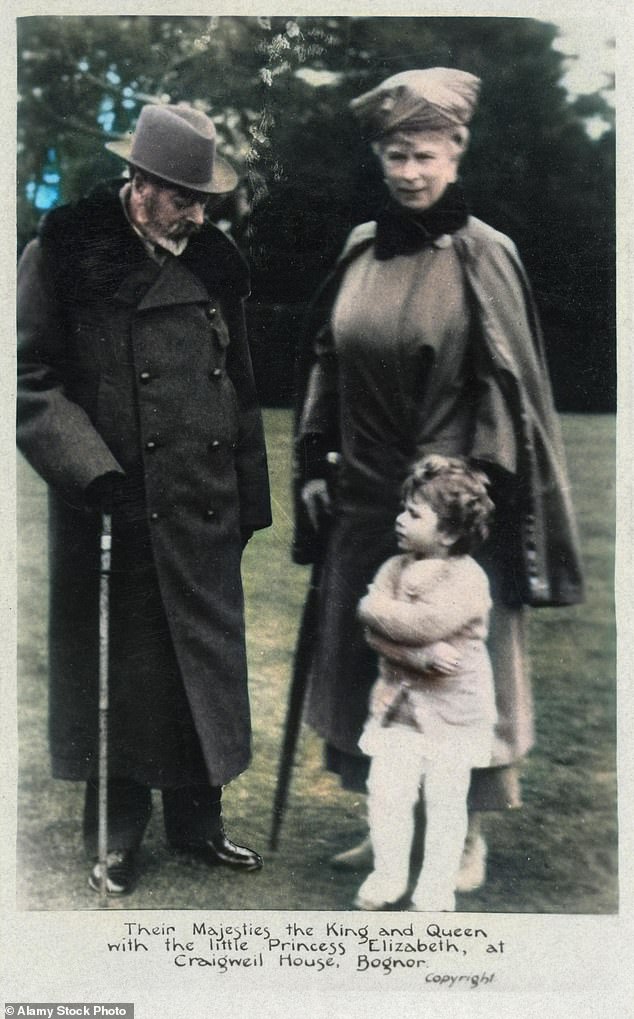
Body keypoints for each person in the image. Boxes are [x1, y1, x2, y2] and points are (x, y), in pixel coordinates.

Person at [292, 68, 583, 892]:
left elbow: (506, 384)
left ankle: (462, 836)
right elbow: (326, 360)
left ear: (457, 152)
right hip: (364, 490)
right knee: (366, 650)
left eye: (423, 155)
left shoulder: (486, 254)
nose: (408, 172)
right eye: (394, 155)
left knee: (457, 657)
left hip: (453, 499)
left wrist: (466, 494)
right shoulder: (360, 246)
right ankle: (384, 817)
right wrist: (316, 460)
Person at [17, 103, 272, 895]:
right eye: (181, 195)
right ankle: (116, 834)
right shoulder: (66, 252)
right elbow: (26, 378)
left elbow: (241, 385)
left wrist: (248, 496)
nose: (198, 211)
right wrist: (94, 472)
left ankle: (200, 825)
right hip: (111, 502)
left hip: (202, 501)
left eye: (204, 197)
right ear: (139, 183)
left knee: (203, 660)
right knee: (121, 668)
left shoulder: (216, 262)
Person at [355, 455, 496, 912]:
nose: (400, 519)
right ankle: (388, 876)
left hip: (453, 715)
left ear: (450, 532)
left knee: (445, 801)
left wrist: (378, 614)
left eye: (414, 513)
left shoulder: (467, 578)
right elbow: (374, 629)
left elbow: (423, 623)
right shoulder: (394, 568)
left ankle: (435, 888)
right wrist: (414, 653)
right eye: (403, 509)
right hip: (398, 709)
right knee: (388, 792)